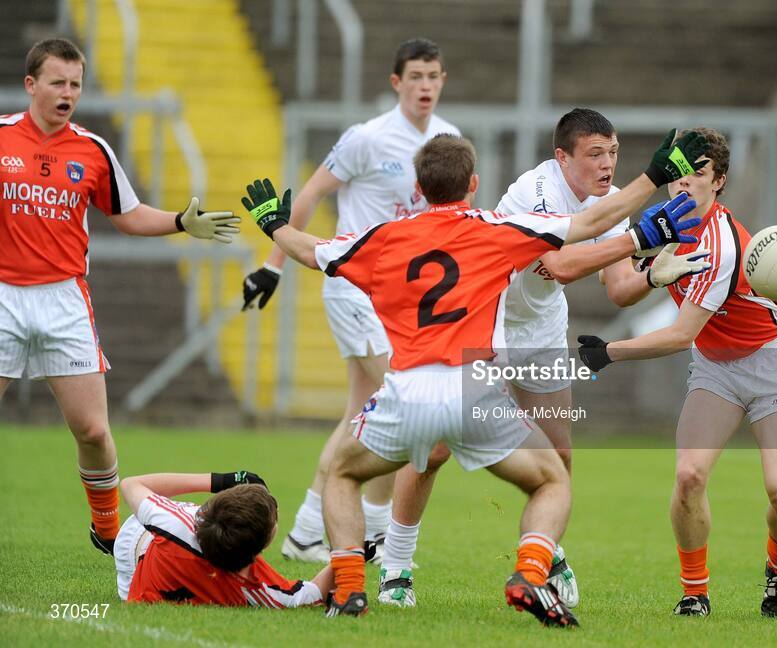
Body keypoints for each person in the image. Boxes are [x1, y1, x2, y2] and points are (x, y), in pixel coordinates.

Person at [240, 130, 707, 624]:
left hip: (407, 390)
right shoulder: (498, 228)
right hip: (474, 386)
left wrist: (274, 226)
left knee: (342, 474)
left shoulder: (379, 239)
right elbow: (589, 222)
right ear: (474, 184)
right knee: (552, 480)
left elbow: (310, 250)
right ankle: (528, 575)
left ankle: (350, 590)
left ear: (417, 190)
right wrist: (651, 189)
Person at [377, 109, 711, 609]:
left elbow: (618, 288)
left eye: (613, 152)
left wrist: (655, 276)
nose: (606, 164)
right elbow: (557, 263)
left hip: (541, 332)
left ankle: (544, 556)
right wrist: (641, 236)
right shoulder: (534, 192)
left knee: (559, 457)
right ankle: (396, 568)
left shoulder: (609, 203)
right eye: (595, 154)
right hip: (484, 326)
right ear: (562, 158)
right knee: (436, 448)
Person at [0, 39, 240, 554]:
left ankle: (106, 526)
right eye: (58, 83)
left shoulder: (92, 150)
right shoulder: (1, 138)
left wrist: (181, 221)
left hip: (65, 301)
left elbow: (128, 215)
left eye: (76, 84)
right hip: (3, 297)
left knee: (91, 429)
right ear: (31, 85)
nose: (68, 94)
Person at [576, 128, 777, 619]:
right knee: (688, 477)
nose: (683, 185)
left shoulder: (722, 244)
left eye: (697, 175)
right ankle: (694, 593)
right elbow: (619, 290)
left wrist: (610, 352)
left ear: (719, 181)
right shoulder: (657, 224)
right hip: (716, 367)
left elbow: (680, 335)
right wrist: (647, 267)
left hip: (773, 362)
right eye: (677, 175)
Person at [239, 38, 460, 565]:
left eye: (433, 75)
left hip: (401, 298)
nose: (425, 85)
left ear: (442, 80)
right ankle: (379, 534)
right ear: (396, 83)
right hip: (353, 288)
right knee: (404, 402)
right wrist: (274, 267)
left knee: (362, 414)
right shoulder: (367, 139)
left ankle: (306, 532)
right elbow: (309, 195)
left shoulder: (448, 138)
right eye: (416, 77)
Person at [114, 469, 331, 606]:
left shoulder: (179, 523)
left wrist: (219, 480)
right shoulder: (255, 587)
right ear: (260, 547)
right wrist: (351, 551)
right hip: (133, 581)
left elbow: (130, 484)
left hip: (135, 544)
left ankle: (106, 534)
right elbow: (311, 593)